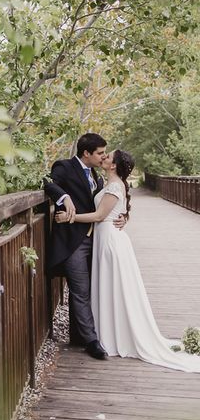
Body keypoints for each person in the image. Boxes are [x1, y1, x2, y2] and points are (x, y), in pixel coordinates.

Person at [56, 150, 200, 372]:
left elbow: (99, 216)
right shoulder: (106, 181)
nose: (103, 158)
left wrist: (69, 218)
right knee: (110, 288)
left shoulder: (114, 186)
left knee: (116, 289)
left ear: (114, 165)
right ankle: (108, 333)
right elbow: (113, 210)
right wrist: (124, 216)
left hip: (110, 241)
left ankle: (117, 336)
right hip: (104, 239)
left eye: (107, 156)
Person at [44, 133, 125, 360]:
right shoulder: (65, 166)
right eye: (99, 153)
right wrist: (64, 197)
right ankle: (91, 341)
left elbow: (108, 204)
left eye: (104, 153)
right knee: (81, 291)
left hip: (97, 241)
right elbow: (48, 182)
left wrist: (123, 216)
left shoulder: (97, 176)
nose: (102, 157)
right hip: (74, 243)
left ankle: (80, 335)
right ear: (86, 153)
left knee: (95, 288)